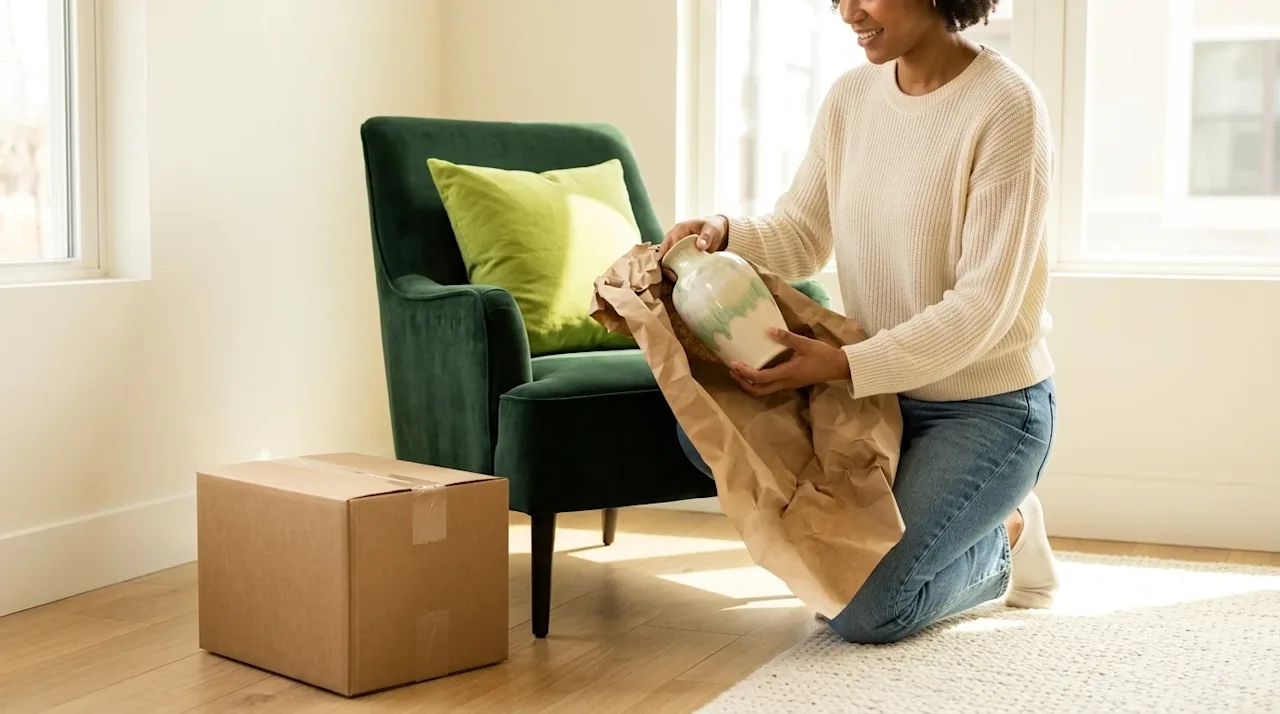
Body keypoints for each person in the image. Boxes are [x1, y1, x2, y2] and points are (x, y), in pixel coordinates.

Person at [660, 0, 1059, 645]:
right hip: (877, 397)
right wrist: (726, 233)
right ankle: (905, 539)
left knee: (867, 612)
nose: (848, 12)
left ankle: (1006, 539)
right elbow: (802, 232)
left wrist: (847, 363)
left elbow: (985, 304)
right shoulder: (852, 96)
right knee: (708, 436)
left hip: (985, 410)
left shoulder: (1007, 106)